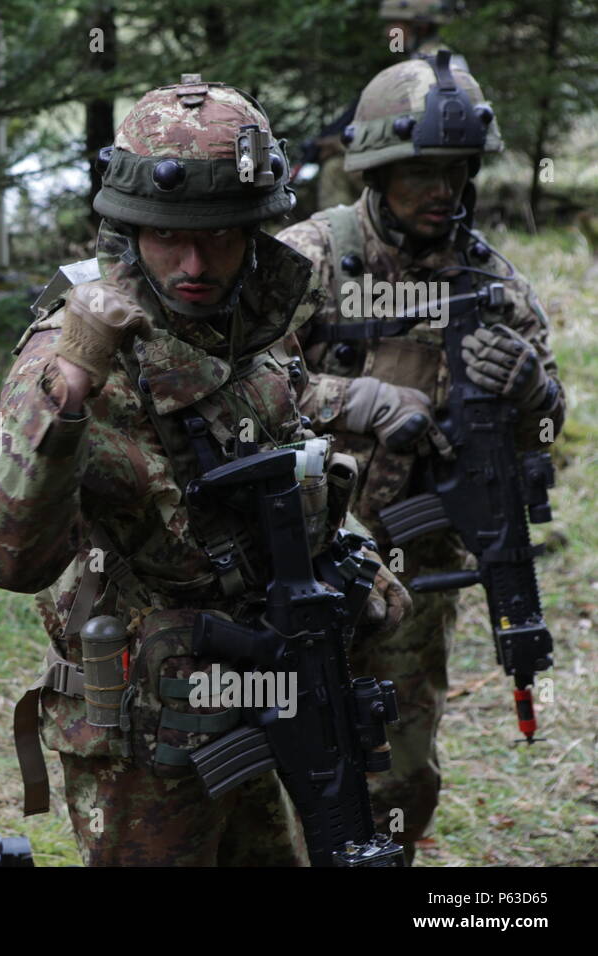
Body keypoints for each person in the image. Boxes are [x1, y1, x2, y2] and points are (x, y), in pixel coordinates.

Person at [0, 76, 409, 866]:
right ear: (129, 230)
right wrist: (69, 392)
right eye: (169, 239)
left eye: (222, 237)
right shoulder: (70, 353)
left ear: (255, 234)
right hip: (146, 725)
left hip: (263, 677)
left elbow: (287, 460)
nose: (195, 263)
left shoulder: (253, 326)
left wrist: (354, 561)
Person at [277, 53, 565, 862]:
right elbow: (224, 390)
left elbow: (543, 439)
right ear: (375, 171)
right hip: (295, 562)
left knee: (400, 779)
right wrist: (349, 403)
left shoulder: (493, 286)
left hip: (415, 568)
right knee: (288, 766)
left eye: (456, 172)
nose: (442, 190)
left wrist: (534, 394)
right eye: (421, 172)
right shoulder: (309, 259)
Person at [312, 0, 466, 212]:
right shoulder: (441, 59)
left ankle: (337, 239)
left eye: (395, 26)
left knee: (335, 170)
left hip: (424, 168)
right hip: (443, 168)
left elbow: (409, 133)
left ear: (419, 27)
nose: (388, 33)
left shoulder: (419, 68)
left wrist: (340, 145)